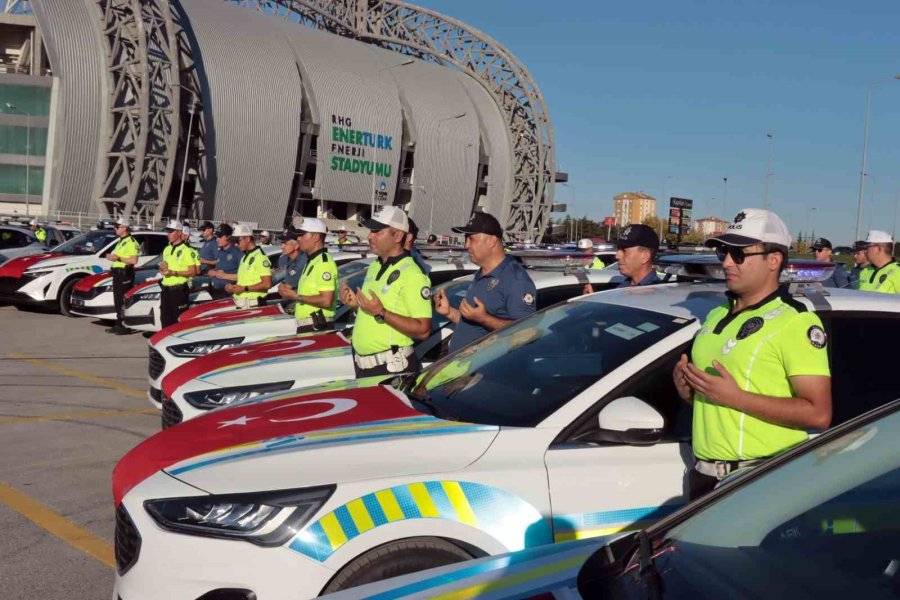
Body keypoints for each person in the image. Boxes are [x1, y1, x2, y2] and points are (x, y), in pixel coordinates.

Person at [673, 209, 832, 500]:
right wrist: (688, 390)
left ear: (774, 260)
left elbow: (819, 414)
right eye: (723, 253)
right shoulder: (716, 313)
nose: (727, 262)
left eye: (739, 254)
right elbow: (716, 402)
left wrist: (736, 397)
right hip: (704, 476)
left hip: (758, 479)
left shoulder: (795, 321)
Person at [340, 206, 432, 377]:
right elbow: (374, 314)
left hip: (391, 369)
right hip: (364, 366)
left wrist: (381, 312)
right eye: (370, 231)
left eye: (377, 231)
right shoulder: (375, 265)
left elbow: (423, 329)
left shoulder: (413, 274)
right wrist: (355, 304)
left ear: (398, 236)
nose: (370, 236)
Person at [434, 211, 537, 353]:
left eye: (471, 238)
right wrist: (449, 312)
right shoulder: (482, 273)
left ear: (492, 241)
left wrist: (484, 318)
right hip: (464, 369)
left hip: (486, 372)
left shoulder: (516, 280)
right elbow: (474, 326)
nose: (466, 245)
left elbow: (526, 332)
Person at [278, 218, 338, 333]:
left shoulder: (323, 263)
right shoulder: (312, 260)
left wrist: (297, 296)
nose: (299, 238)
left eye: (302, 234)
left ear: (316, 237)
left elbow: (326, 300)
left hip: (317, 326)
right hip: (309, 326)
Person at [583, 224, 660, 294]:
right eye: (618, 249)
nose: (617, 256)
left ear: (644, 256)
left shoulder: (657, 296)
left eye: (624, 250)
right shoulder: (623, 287)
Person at [213, 224, 273, 307]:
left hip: (253, 305)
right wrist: (233, 287)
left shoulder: (260, 257)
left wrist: (244, 288)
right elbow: (243, 280)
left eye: (238, 241)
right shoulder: (245, 257)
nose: (236, 244)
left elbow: (267, 284)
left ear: (247, 239)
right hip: (241, 303)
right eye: (234, 242)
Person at [159, 220, 200, 328]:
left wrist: (174, 272)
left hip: (178, 290)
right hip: (166, 289)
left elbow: (193, 272)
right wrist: (163, 268)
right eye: (167, 232)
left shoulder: (187, 250)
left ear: (179, 232)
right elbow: (166, 266)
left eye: (171, 232)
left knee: (177, 321)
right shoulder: (166, 249)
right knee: (165, 320)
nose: (168, 234)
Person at [104, 218, 140, 334]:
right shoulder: (121, 241)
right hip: (117, 273)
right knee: (117, 300)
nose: (115, 228)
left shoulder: (131, 242)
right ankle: (119, 323)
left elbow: (134, 260)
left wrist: (118, 258)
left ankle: (124, 325)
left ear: (124, 228)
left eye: (117, 227)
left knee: (123, 301)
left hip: (125, 273)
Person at [206, 224, 241, 299]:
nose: (217, 239)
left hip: (228, 294)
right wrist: (212, 271)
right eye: (217, 237)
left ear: (228, 237)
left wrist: (225, 276)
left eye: (220, 237)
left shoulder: (237, 252)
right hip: (215, 291)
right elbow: (217, 268)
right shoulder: (220, 251)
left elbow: (244, 276)